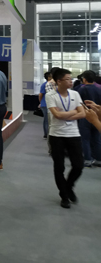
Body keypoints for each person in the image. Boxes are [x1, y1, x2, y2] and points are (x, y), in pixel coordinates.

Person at [45, 68, 85, 209]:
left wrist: (65, 114)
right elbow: (57, 115)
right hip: (56, 135)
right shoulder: (50, 95)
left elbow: (83, 114)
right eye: (67, 79)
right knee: (59, 166)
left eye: (70, 78)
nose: (71, 81)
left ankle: (69, 186)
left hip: (73, 134)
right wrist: (74, 112)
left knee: (78, 165)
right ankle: (64, 195)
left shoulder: (75, 94)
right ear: (59, 81)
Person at [75, 70, 101, 168]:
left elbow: (77, 104)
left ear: (84, 79)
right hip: (98, 116)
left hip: (86, 116)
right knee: (97, 138)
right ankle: (98, 159)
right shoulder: (99, 89)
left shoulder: (81, 89)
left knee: (85, 139)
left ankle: (87, 159)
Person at [39, 72, 52, 138]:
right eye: (50, 76)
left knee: (48, 119)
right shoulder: (44, 85)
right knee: (46, 119)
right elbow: (40, 94)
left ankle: (48, 133)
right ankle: (46, 133)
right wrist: (41, 102)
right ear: (48, 77)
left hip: (48, 104)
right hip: (45, 104)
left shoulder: (52, 84)